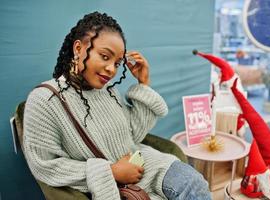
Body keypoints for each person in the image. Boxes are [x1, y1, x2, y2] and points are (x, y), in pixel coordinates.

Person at [23, 11, 211, 200]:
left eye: (117, 63)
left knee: (195, 185)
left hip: (147, 167)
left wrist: (143, 83)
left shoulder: (108, 92)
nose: (112, 69)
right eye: (105, 57)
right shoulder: (44, 100)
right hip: (110, 188)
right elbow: (45, 166)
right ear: (78, 48)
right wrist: (110, 171)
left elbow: (133, 134)